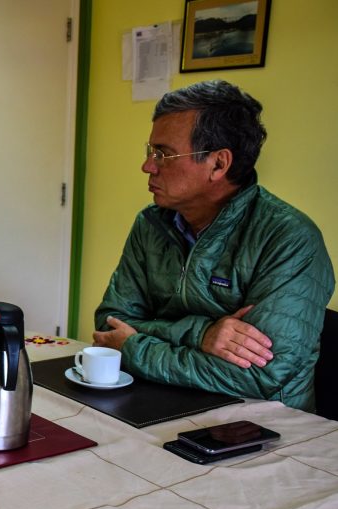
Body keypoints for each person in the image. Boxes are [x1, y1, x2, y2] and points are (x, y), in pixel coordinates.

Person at [93, 80, 334, 412]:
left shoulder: (289, 238)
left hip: (262, 427)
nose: (148, 166)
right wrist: (201, 333)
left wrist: (135, 348)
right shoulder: (150, 223)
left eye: (163, 153)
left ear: (219, 164)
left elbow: (260, 377)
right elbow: (109, 325)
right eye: (150, 151)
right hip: (156, 402)